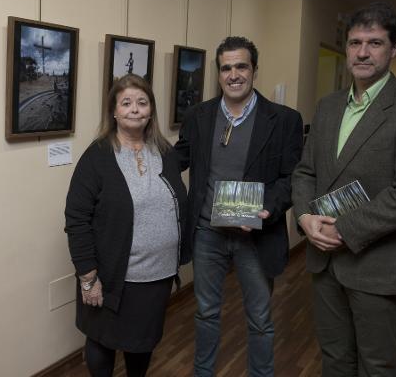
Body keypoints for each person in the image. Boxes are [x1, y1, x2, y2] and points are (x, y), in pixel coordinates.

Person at [291, 2, 396, 376]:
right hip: (324, 262)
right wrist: (306, 217)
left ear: (394, 49)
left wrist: (343, 229)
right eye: (356, 42)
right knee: (335, 359)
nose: (362, 52)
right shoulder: (327, 107)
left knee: (377, 365)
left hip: (377, 264)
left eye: (374, 43)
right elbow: (304, 171)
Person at [175, 36, 303, 376]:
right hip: (207, 235)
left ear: (255, 70)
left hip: (256, 236)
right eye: (226, 68)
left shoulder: (284, 120)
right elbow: (180, 158)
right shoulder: (198, 116)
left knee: (260, 320)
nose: (234, 74)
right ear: (219, 74)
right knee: (205, 313)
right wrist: (135, 153)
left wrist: (267, 208)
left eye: (241, 66)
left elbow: (292, 178)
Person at [65, 74, 190, 377]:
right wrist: (88, 278)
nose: (135, 109)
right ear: (114, 111)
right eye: (126, 103)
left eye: (142, 102)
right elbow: (76, 219)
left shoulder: (165, 152)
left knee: (141, 345)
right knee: (102, 344)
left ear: (151, 110)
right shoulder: (97, 157)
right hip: (110, 279)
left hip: (156, 278)